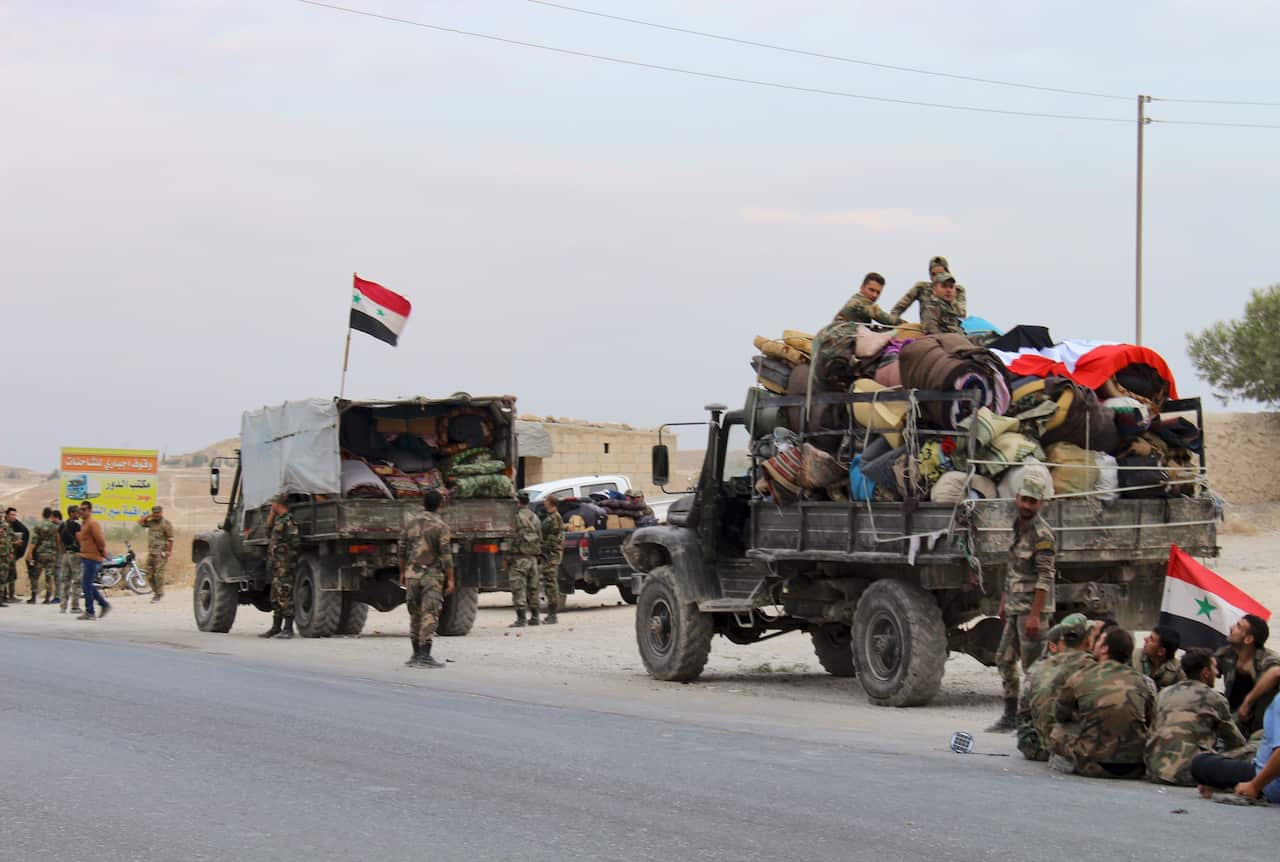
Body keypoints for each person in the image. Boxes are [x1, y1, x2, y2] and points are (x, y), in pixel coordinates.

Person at [988, 475, 1057, 732]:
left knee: (1033, 669)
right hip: (1016, 607)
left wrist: (1035, 615)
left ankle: (1034, 721)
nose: (1027, 505)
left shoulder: (1042, 534)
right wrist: (1005, 601)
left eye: (1033, 502)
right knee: (1004, 659)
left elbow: (1045, 576)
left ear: (1041, 504)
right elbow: (1013, 570)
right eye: (1024, 499)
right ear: (1017, 498)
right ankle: (1010, 715)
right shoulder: (1018, 527)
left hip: (1032, 611)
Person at [1051, 626, 1155, 778]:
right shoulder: (1144, 682)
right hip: (1135, 767)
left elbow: (1060, 715)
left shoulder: (1080, 677)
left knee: (1058, 732)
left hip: (1092, 764)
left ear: (1105, 649)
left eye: (1099, 640)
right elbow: (1151, 719)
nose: (1095, 644)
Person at [1145, 648, 1246, 786]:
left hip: (1154, 770)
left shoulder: (1164, 692)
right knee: (1253, 748)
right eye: (1215, 668)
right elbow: (1235, 741)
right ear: (1205, 673)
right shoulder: (1214, 698)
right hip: (1190, 774)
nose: (1217, 674)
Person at [1016, 613, 1095, 761]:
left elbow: (1023, 712)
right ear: (1087, 640)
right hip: (1067, 750)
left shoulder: (1037, 668)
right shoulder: (1091, 667)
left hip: (1034, 747)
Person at [1191, 679, 1280, 804]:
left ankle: (1242, 788)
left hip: (1270, 784)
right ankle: (1230, 787)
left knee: (1200, 763)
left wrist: (1254, 786)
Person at [398, 489, 454, 668]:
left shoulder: (410, 523)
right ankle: (425, 655)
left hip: (412, 575)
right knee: (430, 614)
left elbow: (401, 549)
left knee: (415, 614)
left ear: (424, 503)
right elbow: (446, 555)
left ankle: (414, 655)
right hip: (432, 575)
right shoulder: (441, 526)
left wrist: (402, 572)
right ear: (440, 504)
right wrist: (450, 579)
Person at [1216, 614, 1280, 737]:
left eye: (1238, 626)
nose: (1231, 627)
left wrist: (1247, 702)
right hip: (1234, 721)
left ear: (1248, 639)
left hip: (1263, 730)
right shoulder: (1226, 654)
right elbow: (1204, 669)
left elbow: (1276, 672)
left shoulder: (1266, 658)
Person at [889, 256, 968, 334]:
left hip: (953, 329)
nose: (936, 277)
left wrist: (949, 297)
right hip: (931, 328)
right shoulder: (921, 288)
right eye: (933, 274)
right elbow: (899, 307)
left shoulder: (956, 290)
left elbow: (962, 313)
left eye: (940, 273)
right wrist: (892, 321)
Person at [260, 495, 300, 639]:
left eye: (273, 504)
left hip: (285, 565)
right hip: (277, 565)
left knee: (285, 595)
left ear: (278, 504)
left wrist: (286, 557)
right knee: (275, 596)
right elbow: (267, 530)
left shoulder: (289, 521)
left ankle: (288, 628)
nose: (272, 507)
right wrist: (271, 515)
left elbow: (295, 543)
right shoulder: (279, 520)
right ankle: (276, 627)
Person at [509, 492, 541, 628]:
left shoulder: (515, 517)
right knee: (533, 588)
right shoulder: (535, 517)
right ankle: (535, 617)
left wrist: (508, 557)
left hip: (519, 557)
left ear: (518, 502)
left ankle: (521, 619)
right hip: (533, 558)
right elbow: (540, 537)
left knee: (518, 588)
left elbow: (511, 538)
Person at [76, 503, 111, 620]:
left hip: (93, 558)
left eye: (84, 509)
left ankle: (90, 612)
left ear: (90, 511)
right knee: (87, 584)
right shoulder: (84, 524)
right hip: (85, 557)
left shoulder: (92, 523)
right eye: (80, 509)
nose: (81, 512)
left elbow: (100, 540)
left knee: (86, 585)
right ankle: (103, 604)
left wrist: (102, 551)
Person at [833, 272, 901, 327]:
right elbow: (888, 320)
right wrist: (909, 326)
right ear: (862, 287)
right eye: (871, 290)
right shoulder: (860, 302)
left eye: (878, 292)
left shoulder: (858, 301)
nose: (875, 295)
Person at [137, 505, 175, 603]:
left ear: (161, 513)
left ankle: (158, 594)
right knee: (148, 574)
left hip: (161, 553)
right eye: (155, 513)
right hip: (151, 552)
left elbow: (170, 539)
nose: (157, 515)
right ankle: (156, 592)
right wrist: (149, 516)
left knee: (159, 574)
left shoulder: (166, 524)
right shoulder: (151, 522)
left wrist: (168, 551)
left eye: (158, 513)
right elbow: (140, 522)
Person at [24, 507, 59, 604]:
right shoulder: (55, 526)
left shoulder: (38, 526)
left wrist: (30, 553)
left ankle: (33, 597)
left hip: (40, 554)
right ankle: (47, 598)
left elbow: (34, 540)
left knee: (35, 575)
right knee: (49, 576)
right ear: (50, 515)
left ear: (42, 514)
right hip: (51, 554)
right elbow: (58, 541)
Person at [539, 494, 565, 625]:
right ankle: (551, 614)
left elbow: (551, 538)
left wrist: (541, 547)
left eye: (546, 501)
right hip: (551, 554)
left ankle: (553, 615)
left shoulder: (553, 519)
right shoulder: (553, 517)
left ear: (550, 503)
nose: (544, 503)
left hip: (551, 555)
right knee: (550, 583)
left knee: (550, 584)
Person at [1137, 625, 1186, 691]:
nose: (1145, 639)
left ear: (1161, 651)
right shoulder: (1134, 656)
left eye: (1151, 639)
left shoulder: (1178, 673)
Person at [58, 505, 83, 615]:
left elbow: (58, 540)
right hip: (75, 554)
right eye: (77, 512)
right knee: (77, 581)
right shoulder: (76, 525)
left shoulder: (62, 525)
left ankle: (63, 606)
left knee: (65, 580)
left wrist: (63, 551)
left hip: (65, 555)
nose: (79, 514)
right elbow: (79, 539)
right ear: (72, 513)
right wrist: (82, 551)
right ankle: (75, 606)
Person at [5, 507, 29, 602]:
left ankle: (11, 596)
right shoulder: (3, 525)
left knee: (12, 575)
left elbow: (25, 534)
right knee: (3, 576)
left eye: (15, 515)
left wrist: (19, 552)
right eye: (12, 515)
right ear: (7, 515)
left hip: (11, 554)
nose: (14, 517)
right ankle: (3, 596)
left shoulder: (17, 525)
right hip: (3, 554)